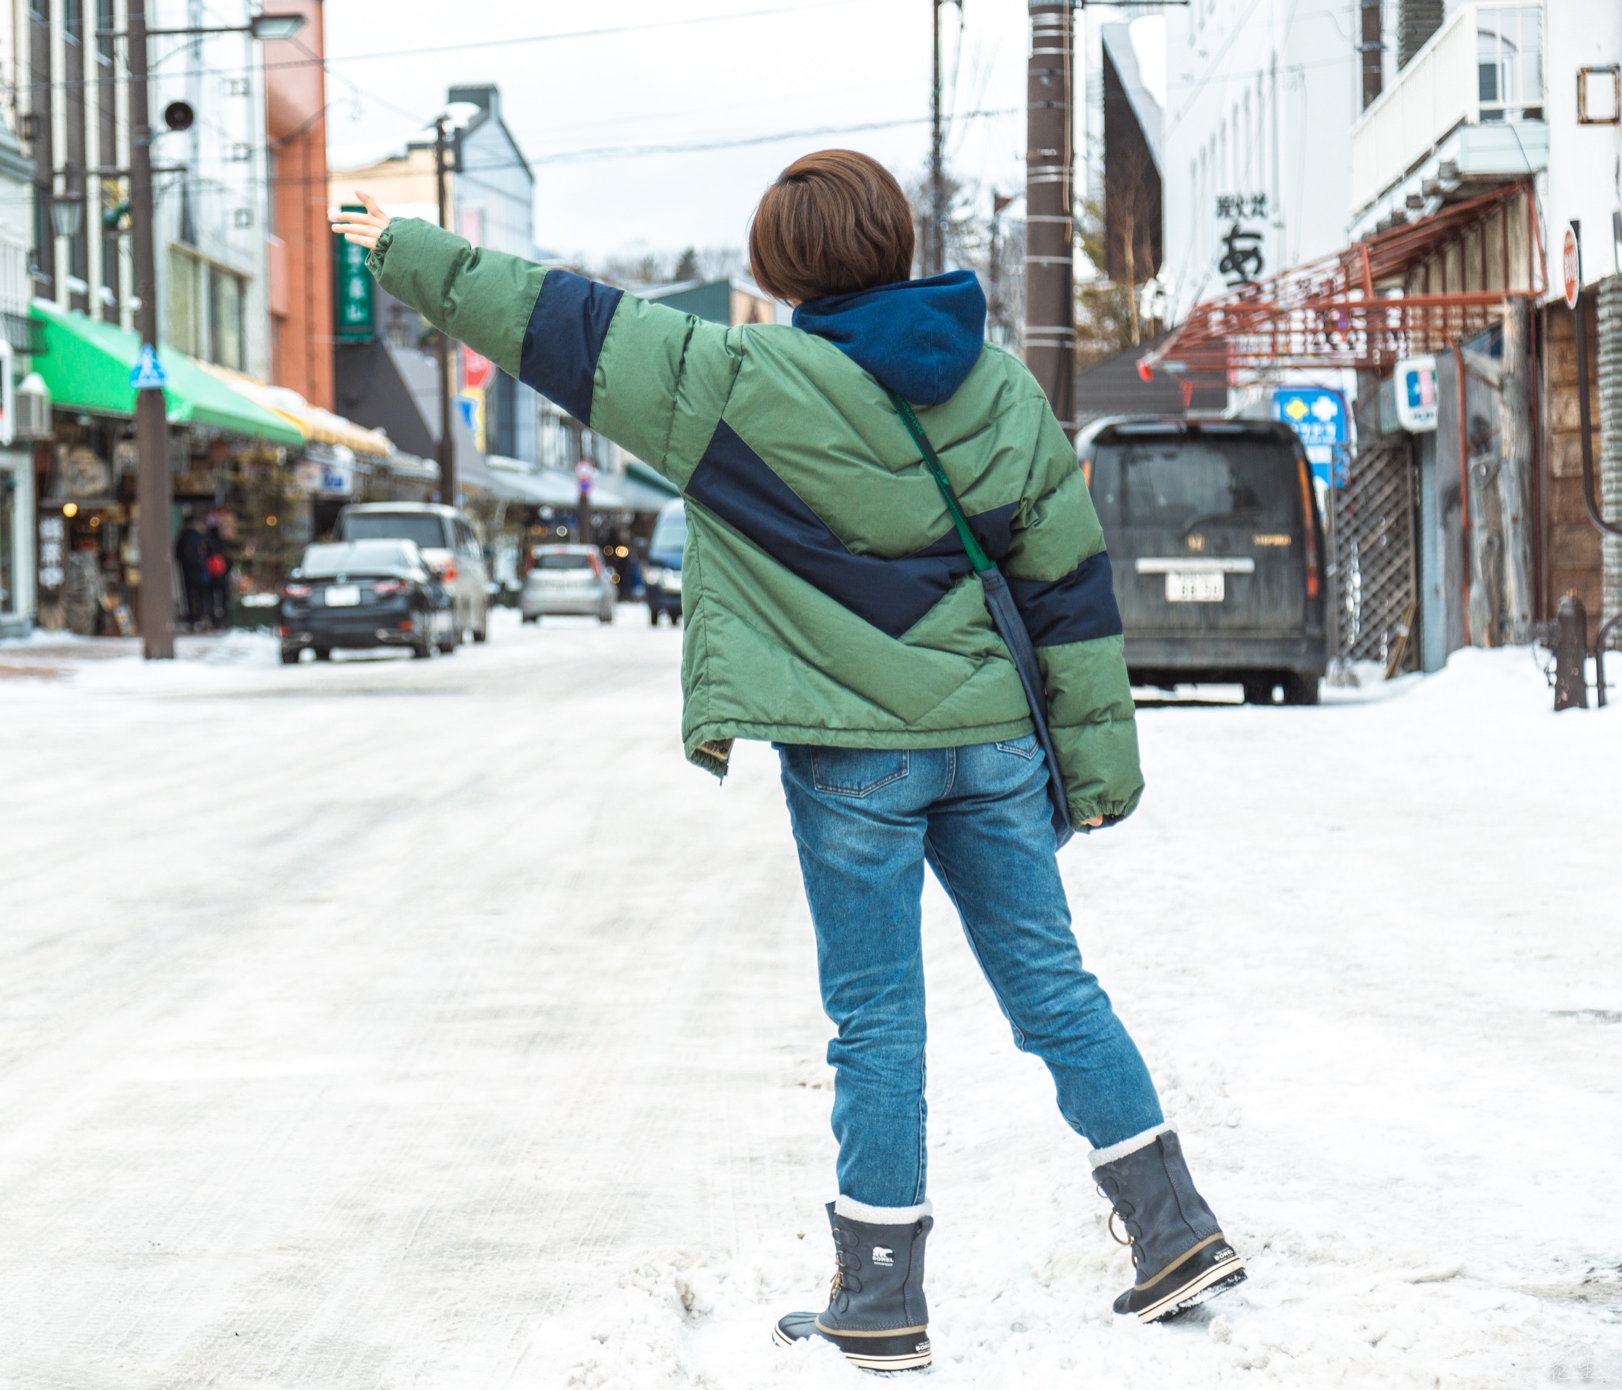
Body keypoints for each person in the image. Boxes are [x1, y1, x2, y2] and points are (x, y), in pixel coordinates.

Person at [335, 150, 1245, 1375]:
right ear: (893, 239)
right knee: (1053, 984)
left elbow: (559, 323)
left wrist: (400, 245)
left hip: (849, 752)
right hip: (988, 742)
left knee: (875, 1020)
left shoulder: (730, 378)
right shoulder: (1002, 390)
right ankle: (1172, 1229)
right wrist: (1094, 763)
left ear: (776, 265)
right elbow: (1069, 590)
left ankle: (878, 1296)